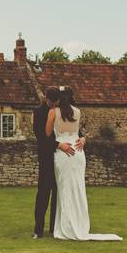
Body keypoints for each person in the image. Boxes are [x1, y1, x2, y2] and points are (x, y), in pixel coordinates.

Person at [46, 87, 122, 241]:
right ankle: (78, 225)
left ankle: (66, 228)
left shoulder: (53, 112)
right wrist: (83, 139)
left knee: (65, 190)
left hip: (64, 152)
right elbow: (77, 133)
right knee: (78, 190)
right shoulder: (78, 112)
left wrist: (59, 141)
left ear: (59, 98)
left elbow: (47, 134)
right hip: (78, 152)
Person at [32, 86, 83, 239]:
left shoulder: (61, 110)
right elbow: (41, 137)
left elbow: (74, 129)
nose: (54, 105)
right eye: (51, 102)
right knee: (43, 193)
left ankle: (55, 228)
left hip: (62, 158)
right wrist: (58, 145)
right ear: (45, 98)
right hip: (47, 158)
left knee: (58, 193)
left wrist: (82, 137)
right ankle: (38, 229)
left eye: (56, 102)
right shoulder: (38, 112)